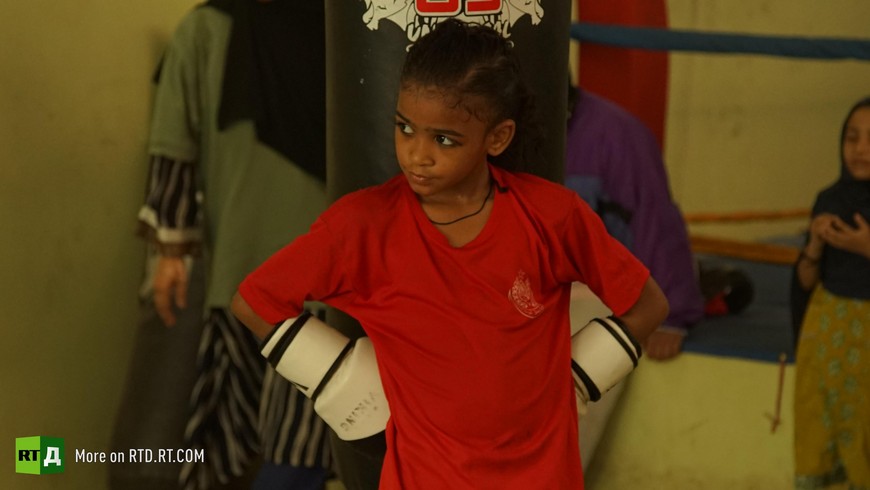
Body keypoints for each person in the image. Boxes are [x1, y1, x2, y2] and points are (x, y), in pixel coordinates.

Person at [231, 19, 669, 489]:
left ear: (497, 139)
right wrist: (343, 382)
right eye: (404, 128)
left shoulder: (550, 216)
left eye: (443, 139)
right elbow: (255, 301)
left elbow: (649, 304)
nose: (417, 154)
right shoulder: (364, 226)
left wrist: (579, 378)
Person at [118, 1, 334, 488]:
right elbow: (175, 140)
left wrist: (172, 251)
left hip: (258, 281)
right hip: (300, 286)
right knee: (288, 451)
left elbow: (173, 140)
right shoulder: (348, 28)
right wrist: (173, 253)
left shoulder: (213, 25)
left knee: (259, 453)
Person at [564, 86, 705, 469]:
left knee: (565, 400)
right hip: (525, 292)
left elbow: (654, 218)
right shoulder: (491, 131)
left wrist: (672, 313)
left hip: (600, 294)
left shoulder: (615, 135)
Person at [792, 96, 870, 490]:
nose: (861, 150)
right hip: (827, 336)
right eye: (852, 138)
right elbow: (806, 281)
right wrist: (814, 248)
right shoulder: (830, 199)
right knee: (823, 422)